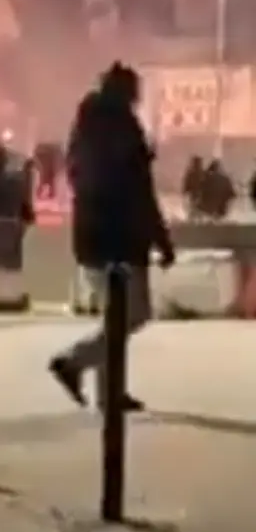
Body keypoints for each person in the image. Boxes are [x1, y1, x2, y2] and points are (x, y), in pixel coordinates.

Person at [50, 62, 175, 412]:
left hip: (91, 233)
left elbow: (83, 178)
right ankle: (74, 361)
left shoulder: (86, 127)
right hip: (122, 235)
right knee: (135, 313)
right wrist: (161, 239)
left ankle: (110, 392)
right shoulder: (125, 129)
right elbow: (139, 191)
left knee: (115, 317)